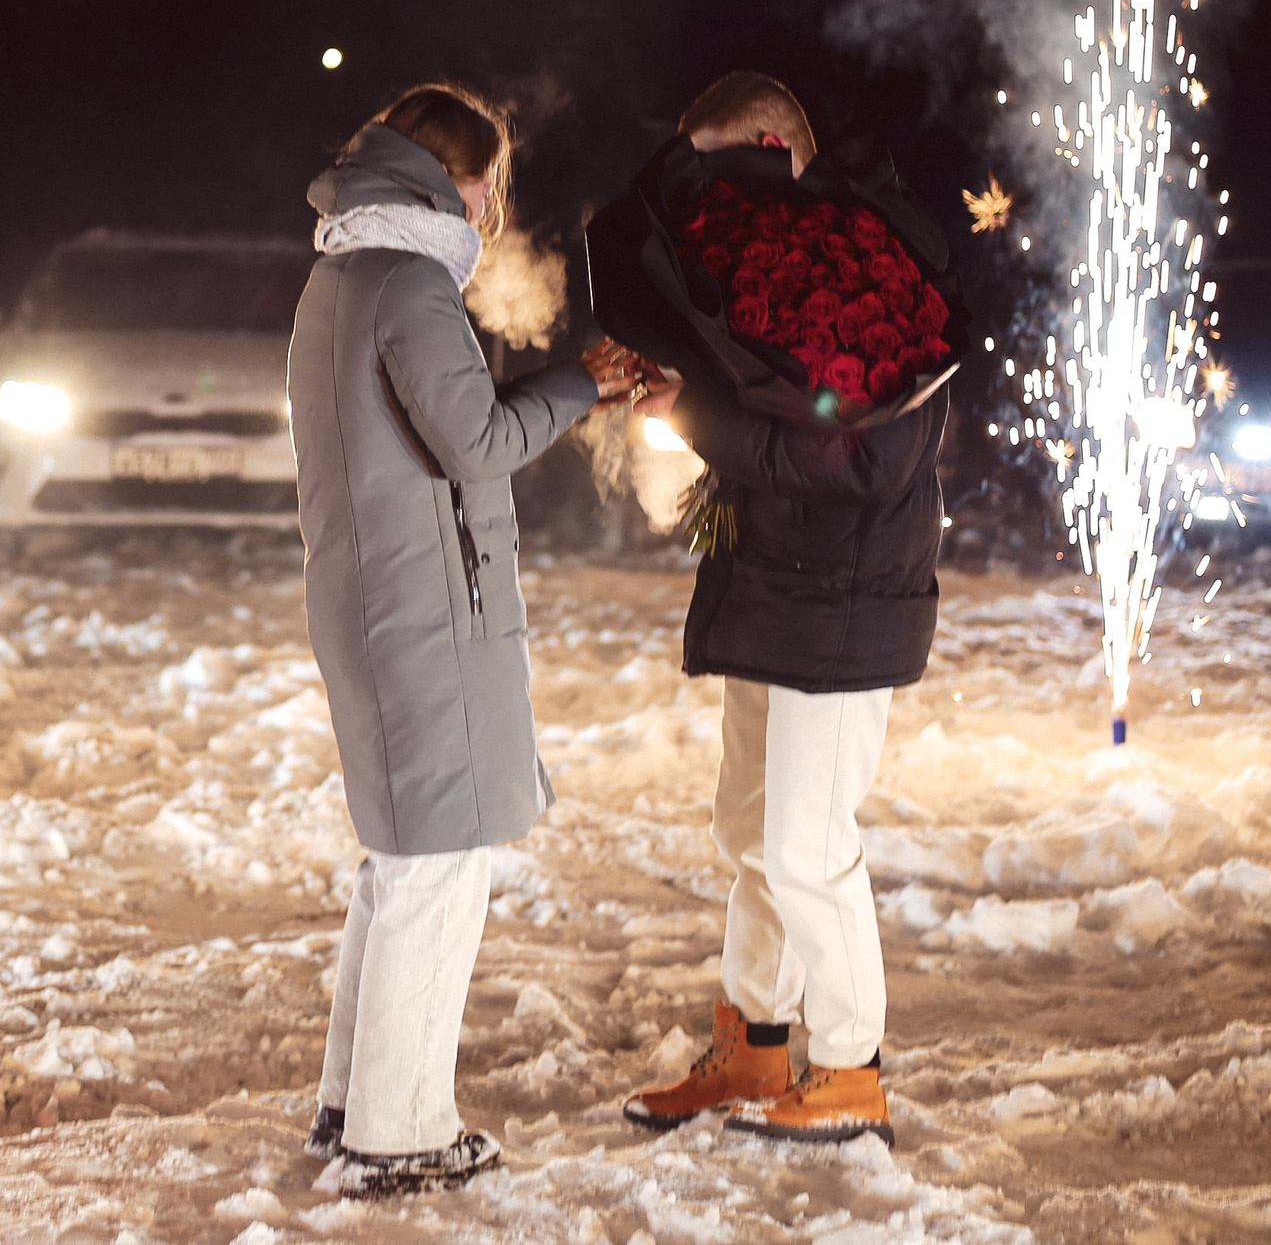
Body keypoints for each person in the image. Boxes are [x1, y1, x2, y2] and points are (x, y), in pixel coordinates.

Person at [288, 83, 636, 1199]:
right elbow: (476, 444)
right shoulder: (410, 284)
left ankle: (355, 1105)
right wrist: (580, 384)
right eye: (490, 183)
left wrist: (565, 384)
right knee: (437, 872)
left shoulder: (340, 273)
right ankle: (396, 1132)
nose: (493, 209)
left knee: (400, 866)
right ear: (455, 180)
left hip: (376, 600)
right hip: (423, 615)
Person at [595, 71, 952, 1149]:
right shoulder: (773, 256)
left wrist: (695, 412)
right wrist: (672, 380)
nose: (706, 199)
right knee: (748, 833)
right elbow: (766, 402)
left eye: (717, 168)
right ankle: (753, 1044)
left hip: (845, 602)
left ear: (764, 143)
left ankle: (848, 1069)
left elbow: (856, 458)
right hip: (771, 584)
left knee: (805, 847)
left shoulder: (877, 265)